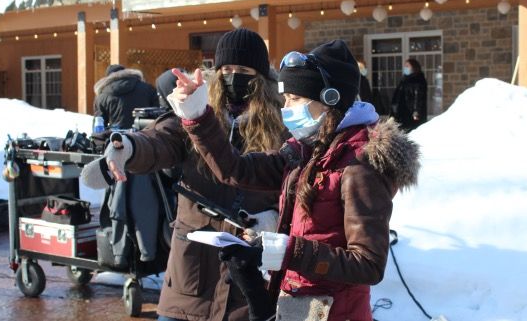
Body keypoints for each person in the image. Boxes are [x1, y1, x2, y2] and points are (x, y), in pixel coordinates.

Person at [165, 40, 421, 321]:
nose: (286, 108)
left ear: (330, 99)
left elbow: (368, 264)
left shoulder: (358, 165)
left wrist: (288, 251)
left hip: (337, 311)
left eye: (295, 99)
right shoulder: (307, 150)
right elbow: (236, 169)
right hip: (302, 308)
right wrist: (198, 115)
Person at [82, 28, 287, 321]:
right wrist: (127, 147)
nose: (232, 76)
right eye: (226, 68)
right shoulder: (195, 111)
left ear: (261, 76)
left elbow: (289, 184)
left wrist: (272, 219)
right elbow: (159, 141)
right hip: (191, 274)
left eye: (243, 69)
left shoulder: (280, 124)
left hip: (247, 281)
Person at [93, 64, 159, 129]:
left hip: (117, 137)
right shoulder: (147, 88)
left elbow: (99, 124)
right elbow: (158, 112)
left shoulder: (102, 95)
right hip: (144, 135)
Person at [391, 58, 428, 131]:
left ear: (414, 67)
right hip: (402, 113)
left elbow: (419, 98)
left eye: (407, 66)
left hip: (411, 114)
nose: (405, 68)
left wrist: (416, 112)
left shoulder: (418, 80)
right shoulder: (404, 80)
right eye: (405, 66)